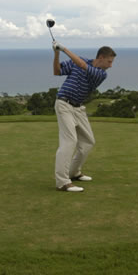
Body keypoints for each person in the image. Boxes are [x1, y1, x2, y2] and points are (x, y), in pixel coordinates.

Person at [52, 42, 116, 192]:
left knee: (88, 142)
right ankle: (62, 182)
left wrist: (64, 48)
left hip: (79, 108)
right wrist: (56, 53)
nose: (111, 65)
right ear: (101, 57)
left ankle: (74, 172)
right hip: (64, 104)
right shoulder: (78, 62)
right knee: (70, 141)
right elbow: (57, 71)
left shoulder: (101, 74)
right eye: (109, 61)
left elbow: (81, 65)